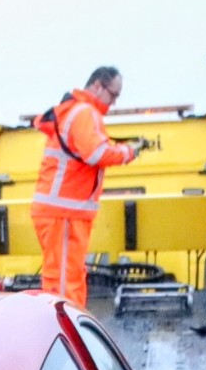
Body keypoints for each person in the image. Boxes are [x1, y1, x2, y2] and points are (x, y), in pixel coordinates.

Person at [30, 66, 145, 309]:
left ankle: (69, 335)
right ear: (96, 86)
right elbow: (96, 153)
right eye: (113, 94)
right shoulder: (85, 113)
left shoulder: (78, 112)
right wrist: (128, 152)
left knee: (67, 279)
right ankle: (64, 338)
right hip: (63, 215)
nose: (113, 103)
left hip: (64, 214)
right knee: (62, 286)